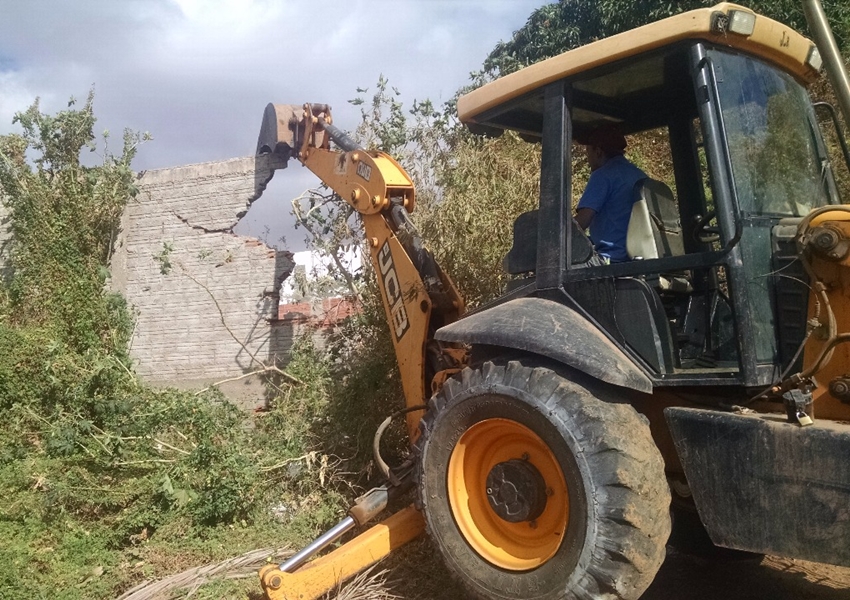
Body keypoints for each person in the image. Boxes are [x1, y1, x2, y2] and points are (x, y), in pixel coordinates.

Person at [574, 125, 647, 263]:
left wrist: (553, 238)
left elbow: (582, 222)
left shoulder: (602, 175)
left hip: (610, 259)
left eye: (588, 151)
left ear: (598, 151)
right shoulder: (639, 175)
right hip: (636, 258)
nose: (587, 157)